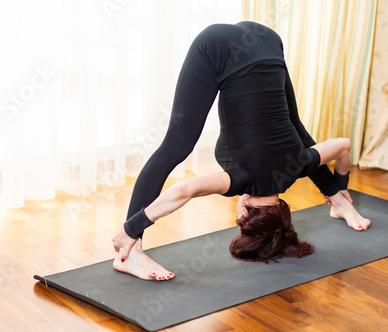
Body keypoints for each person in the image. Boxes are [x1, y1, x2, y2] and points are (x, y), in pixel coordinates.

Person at [112, 21, 371, 281]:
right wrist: (131, 229)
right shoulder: (243, 179)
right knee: (175, 146)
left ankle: (338, 200)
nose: (238, 217)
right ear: (246, 209)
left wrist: (341, 183)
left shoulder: (300, 165)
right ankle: (128, 253)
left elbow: (344, 144)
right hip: (216, 45)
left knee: (298, 130)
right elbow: (184, 189)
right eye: (241, 222)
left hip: (267, 40)